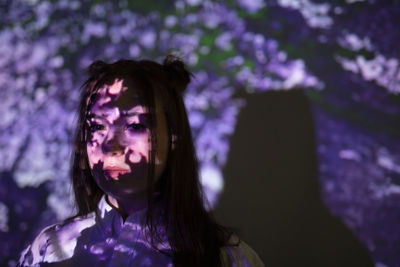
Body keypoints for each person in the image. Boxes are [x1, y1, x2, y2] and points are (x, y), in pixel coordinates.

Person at [17, 55, 265, 267]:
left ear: (173, 135)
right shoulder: (50, 249)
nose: (110, 145)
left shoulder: (228, 258)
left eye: (135, 125)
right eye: (97, 126)